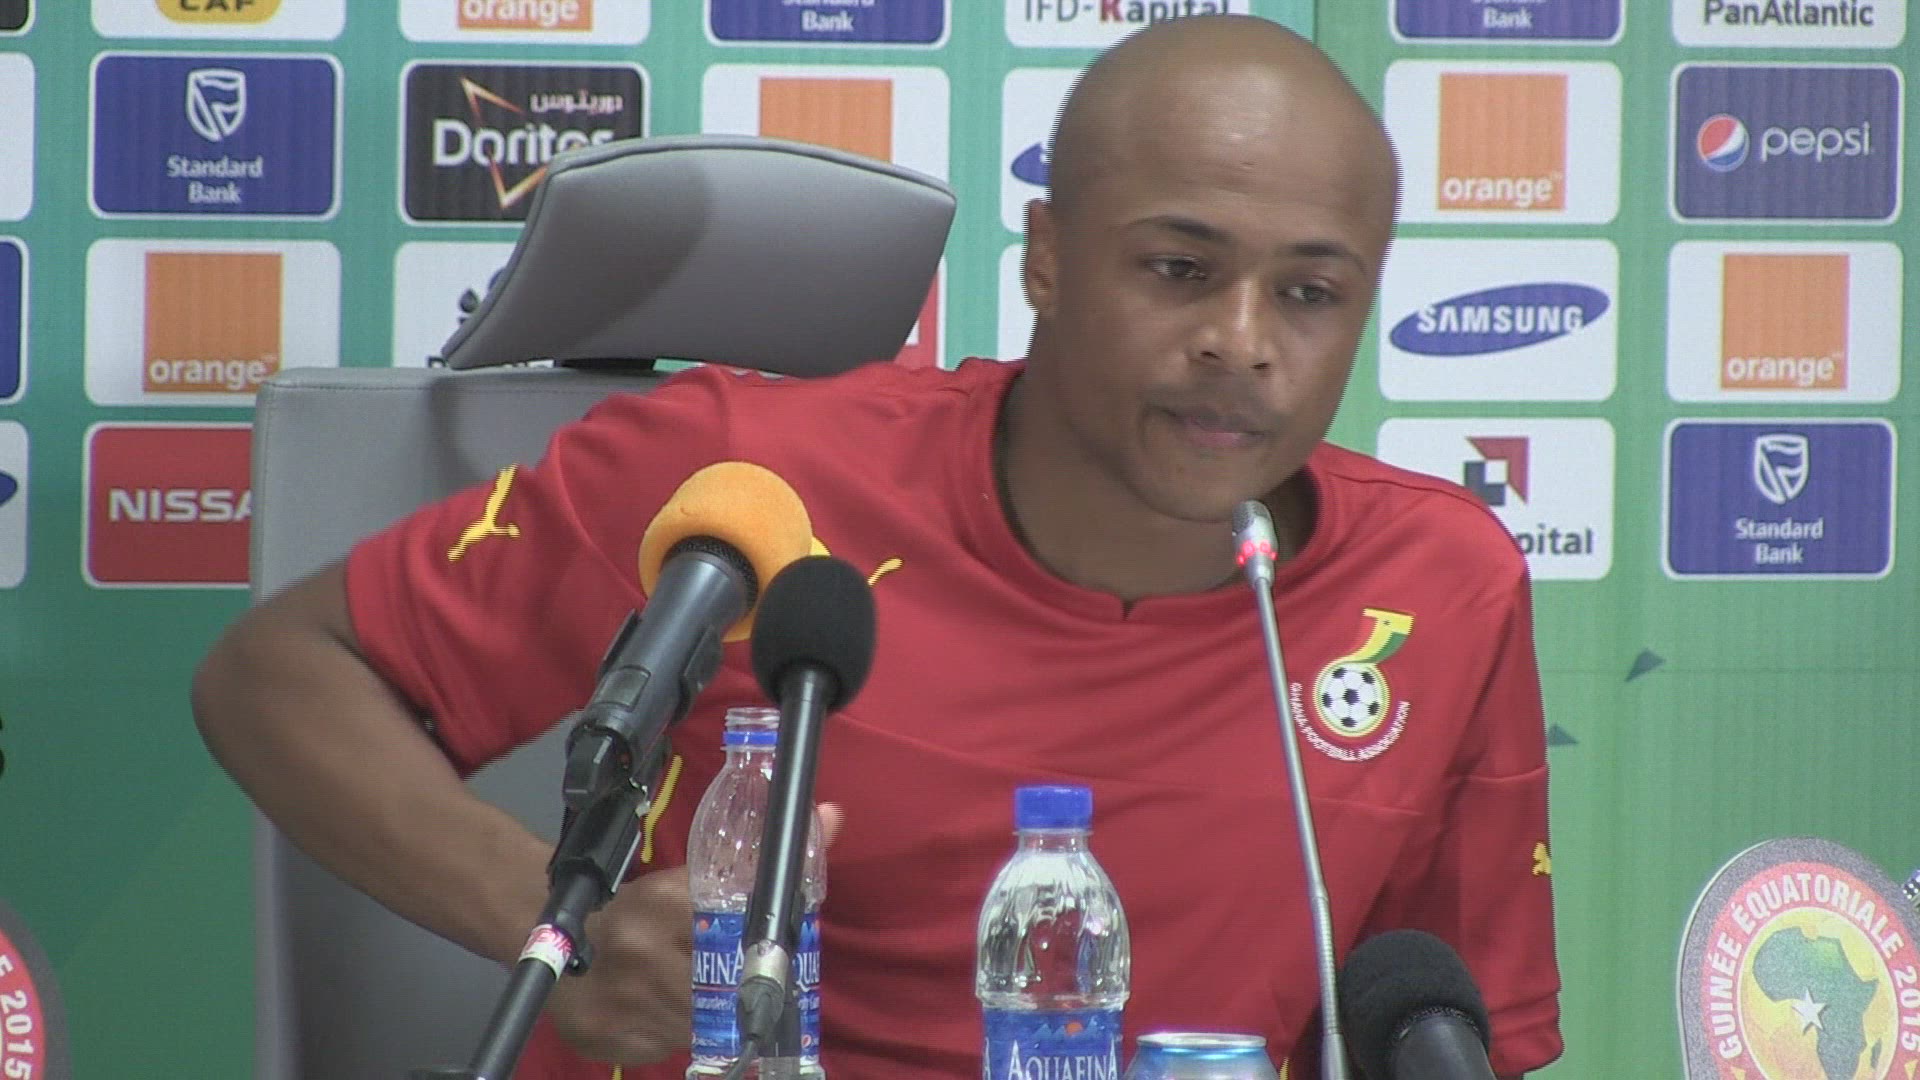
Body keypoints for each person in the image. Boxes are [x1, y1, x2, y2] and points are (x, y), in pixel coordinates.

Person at [193, 14, 1561, 1080]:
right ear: (1046, 257)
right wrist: (561, 928)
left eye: (1311, 293)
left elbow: (1450, 1026)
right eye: (1179, 269)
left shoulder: (1441, 590)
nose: (1242, 342)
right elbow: (277, 678)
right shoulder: (750, 479)